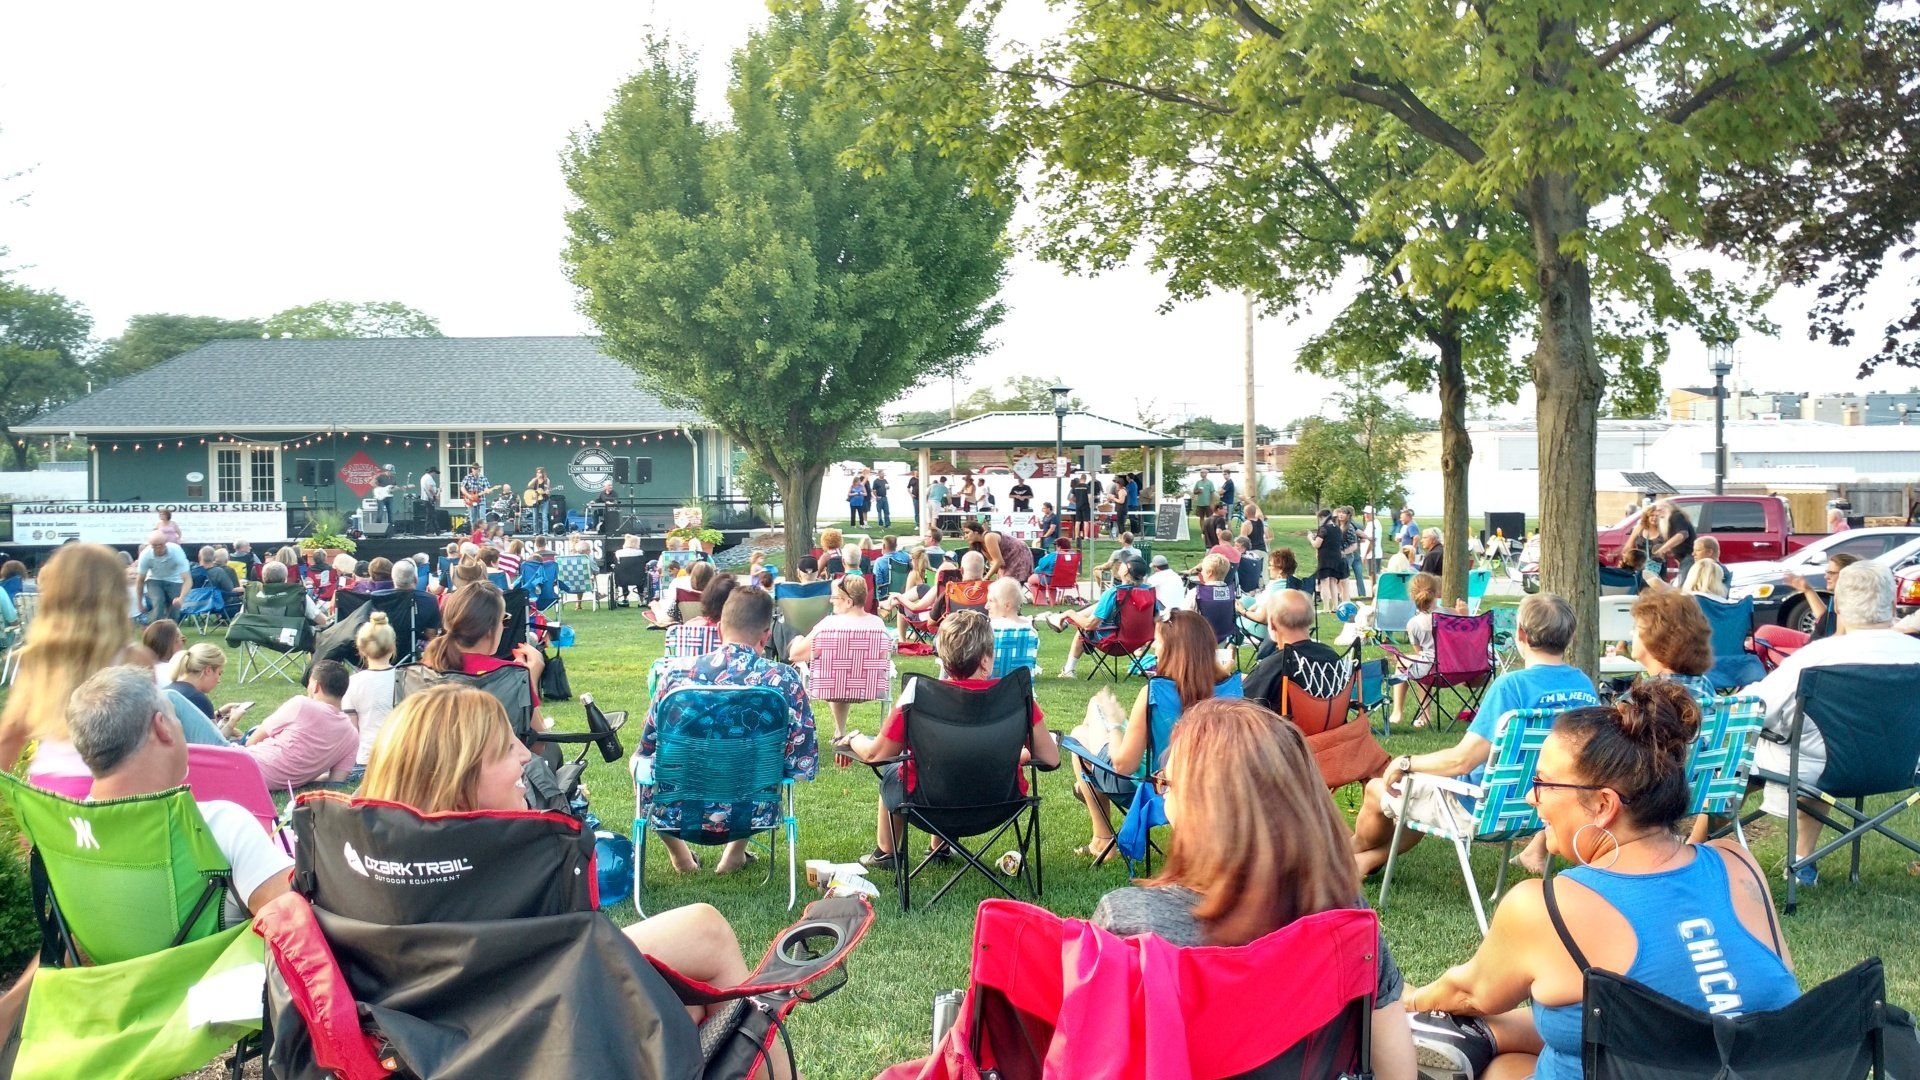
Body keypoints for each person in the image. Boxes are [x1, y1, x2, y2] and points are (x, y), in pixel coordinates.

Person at [358, 684, 789, 1079]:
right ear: (461, 774)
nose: (526, 756)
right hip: (516, 1028)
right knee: (704, 932)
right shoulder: (491, 860)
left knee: (696, 981)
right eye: (507, 748)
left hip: (440, 1029)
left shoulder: (354, 856)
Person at [1403, 682, 1799, 1080]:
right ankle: (1489, 1036)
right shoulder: (1738, 865)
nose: (1531, 798)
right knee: (1518, 1058)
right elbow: (1698, 1007)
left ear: (1603, 805)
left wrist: (1409, 999)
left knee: (1500, 1068)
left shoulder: (1547, 907)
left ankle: (1480, 1037)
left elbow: (1469, 993)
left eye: (1542, 783)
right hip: (1734, 1066)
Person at [1092, 697, 1416, 1080]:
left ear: (1203, 806)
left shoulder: (1128, 925)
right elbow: (1398, 1071)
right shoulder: (1346, 923)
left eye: (1168, 783)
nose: (1163, 795)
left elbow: (1091, 1060)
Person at [0, 666, 297, 1037]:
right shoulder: (220, 825)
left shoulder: (66, 834)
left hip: (109, 995)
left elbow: (75, 933)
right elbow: (295, 926)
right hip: (203, 1004)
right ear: (162, 727)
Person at [1351, 592, 1597, 876]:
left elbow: (1462, 762)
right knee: (1418, 794)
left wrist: (1405, 762)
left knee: (1377, 789)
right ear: (1571, 634)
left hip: (1476, 807)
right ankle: (1366, 860)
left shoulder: (1512, 687)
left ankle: (1345, 858)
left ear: (1520, 634)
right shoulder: (1583, 687)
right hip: (1540, 810)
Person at [1740, 561, 1920, 884]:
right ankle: (1802, 860)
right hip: (1903, 769)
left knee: (1761, 747)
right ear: (1893, 605)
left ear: (1838, 606)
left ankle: (1708, 848)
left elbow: (1756, 708)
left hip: (1823, 770)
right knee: (1813, 743)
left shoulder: (1817, 657)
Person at [834, 610, 1058, 870]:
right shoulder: (1017, 697)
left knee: (893, 768)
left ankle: (888, 853)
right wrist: (1020, 754)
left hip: (928, 805)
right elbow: (1051, 759)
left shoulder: (918, 695)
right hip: (999, 802)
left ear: (945, 658)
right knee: (951, 762)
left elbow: (876, 755)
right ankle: (938, 848)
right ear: (985, 661)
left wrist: (854, 737)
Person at [646, 587, 819, 875]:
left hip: (678, 809)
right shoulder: (784, 679)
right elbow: (802, 761)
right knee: (759, 762)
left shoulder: (676, 674)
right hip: (755, 811)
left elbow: (649, 746)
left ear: (718, 629)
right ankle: (734, 853)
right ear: (765, 635)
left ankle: (681, 857)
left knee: (640, 765)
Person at [1071, 610, 1235, 862]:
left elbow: (1124, 765)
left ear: (1171, 649)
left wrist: (1115, 724)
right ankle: (1091, 798)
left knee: (1081, 734)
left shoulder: (1156, 693)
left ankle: (1102, 839)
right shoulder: (1232, 689)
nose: (1154, 649)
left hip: (1153, 787)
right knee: (1093, 716)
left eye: (1157, 642)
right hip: (1216, 788)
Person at [787, 574, 889, 750]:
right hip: (870, 688)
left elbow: (796, 655)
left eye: (835, 598)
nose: (831, 601)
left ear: (849, 602)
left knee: (834, 670)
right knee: (842, 670)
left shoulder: (829, 625)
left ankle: (817, 734)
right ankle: (839, 733)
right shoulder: (878, 625)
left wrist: (797, 640)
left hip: (831, 687)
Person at [426, 583, 549, 729]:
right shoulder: (512, 674)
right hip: (496, 751)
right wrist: (529, 679)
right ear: (490, 628)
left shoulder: (422, 671)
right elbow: (538, 741)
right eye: (504, 619)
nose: (504, 627)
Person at [241, 659, 358, 789]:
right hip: (270, 779)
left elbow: (252, 741)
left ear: (315, 686)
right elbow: (336, 782)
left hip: (245, 766)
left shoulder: (302, 705)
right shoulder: (352, 736)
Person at [1041, 555, 1158, 678]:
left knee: (1082, 629)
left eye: (1122, 563)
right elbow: (1157, 619)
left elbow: (1089, 625)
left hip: (1114, 643)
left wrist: (1069, 613)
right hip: (1138, 642)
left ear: (1126, 570)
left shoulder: (1115, 593)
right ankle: (1062, 620)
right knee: (1097, 607)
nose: (1119, 565)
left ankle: (1068, 669)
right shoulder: (1149, 592)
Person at [1243, 589, 1347, 707]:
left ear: (1272, 623)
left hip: (1285, 725)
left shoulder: (1272, 667)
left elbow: (1244, 707)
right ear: (1310, 619)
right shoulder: (1332, 657)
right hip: (1332, 724)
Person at [1754, 551, 1858, 660]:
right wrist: (1807, 590)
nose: (1826, 576)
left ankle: (1743, 666)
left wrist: (1810, 650)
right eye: (1826, 572)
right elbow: (1826, 620)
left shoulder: (1847, 600)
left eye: (1831, 573)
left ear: (1846, 575)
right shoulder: (1841, 595)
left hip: (1820, 650)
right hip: (1816, 641)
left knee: (1771, 652)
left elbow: (1839, 638)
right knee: (1766, 631)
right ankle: (1743, 662)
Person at [336, 612, 401, 785]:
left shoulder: (353, 683)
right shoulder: (406, 678)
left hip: (367, 762)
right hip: (403, 760)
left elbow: (352, 731)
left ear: (361, 650)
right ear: (392, 646)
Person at [165, 642, 247, 732]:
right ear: (208, 670)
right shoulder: (198, 699)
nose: (219, 680)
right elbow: (214, 743)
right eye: (219, 673)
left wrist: (218, 714)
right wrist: (232, 722)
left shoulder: (168, 690)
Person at [134, 531, 191, 623]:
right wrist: (140, 603)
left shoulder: (177, 552)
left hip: (175, 580)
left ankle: (171, 632)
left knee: (175, 610)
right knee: (158, 602)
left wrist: (181, 598)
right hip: (154, 579)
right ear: (150, 545)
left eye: (160, 545)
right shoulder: (145, 555)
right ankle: (155, 632)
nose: (157, 548)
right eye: (154, 546)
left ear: (166, 543)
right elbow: (140, 580)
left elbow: (187, 579)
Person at [964, 517, 1034, 586]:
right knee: (1002, 583)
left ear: (976, 532)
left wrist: (985, 578)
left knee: (1009, 584)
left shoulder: (989, 537)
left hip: (1019, 555)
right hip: (1006, 559)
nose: (965, 536)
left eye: (967, 533)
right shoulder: (980, 545)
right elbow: (994, 562)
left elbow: (999, 562)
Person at [1310, 510, 1348, 612]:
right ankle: (1335, 606)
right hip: (1336, 558)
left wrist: (1310, 538)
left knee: (1324, 583)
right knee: (1333, 582)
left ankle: (1326, 607)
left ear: (1323, 517)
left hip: (1325, 558)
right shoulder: (1337, 529)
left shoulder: (1323, 529)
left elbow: (1317, 544)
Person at [1655, 502, 1698, 586]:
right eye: (1657, 511)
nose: (1658, 513)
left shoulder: (1676, 516)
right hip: (1683, 557)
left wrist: (1662, 549)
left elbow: (1682, 535)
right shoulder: (1671, 520)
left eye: (1660, 510)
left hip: (1689, 555)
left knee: (1683, 584)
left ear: (1668, 508)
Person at [142, 618, 185, 686]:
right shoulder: (180, 675)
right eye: (183, 639)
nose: (184, 645)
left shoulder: (140, 674)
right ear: (172, 644)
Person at [1070, 471, 1093, 540]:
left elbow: (1070, 498)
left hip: (1078, 506)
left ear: (1080, 479)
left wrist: (1075, 503)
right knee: (1086, 521)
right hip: (1085, 505)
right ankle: (1085, 536)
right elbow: (1089, 497)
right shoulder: (1087, 487)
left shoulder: (1075, 487)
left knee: (1078, 521)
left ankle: (1077, 536)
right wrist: (1090, 505)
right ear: (1085, 479)